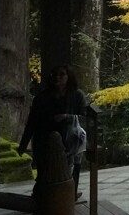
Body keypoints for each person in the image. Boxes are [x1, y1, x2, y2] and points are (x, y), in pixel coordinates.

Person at [18, 65, 88, 195]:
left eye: (61, 74)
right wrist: (23, 144)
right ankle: (44, 198)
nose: (57, 77)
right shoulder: (42, 97)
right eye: (54, 75)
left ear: (68, 77)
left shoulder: (77, 95)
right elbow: (32, 121)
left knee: (70, 172)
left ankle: (70, 196)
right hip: (44, 138)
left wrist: (67, 117)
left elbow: (85, 117)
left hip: (69, 140)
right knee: (44, 173)